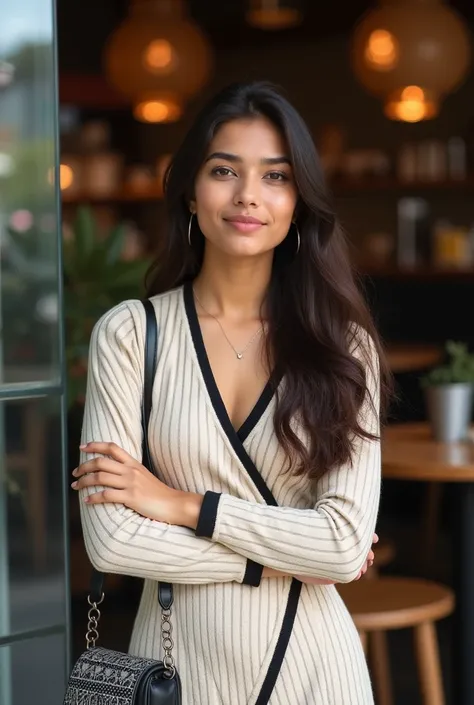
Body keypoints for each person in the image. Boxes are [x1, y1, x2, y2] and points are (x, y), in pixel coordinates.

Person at [72, 81, 391, 705]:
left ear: (298, 203)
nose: (249, 195)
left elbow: (345, 543)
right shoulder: (132, 333)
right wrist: (294, 555)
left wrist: (182, 505)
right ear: (191, 190)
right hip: (172, 673)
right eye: (225, 170)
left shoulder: (343, 347)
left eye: (276, 176)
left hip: (314, 670)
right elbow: (111, 539)